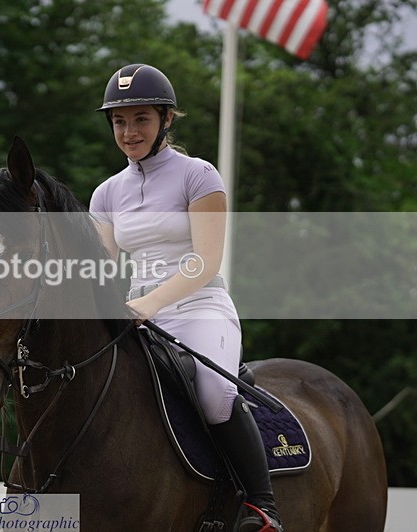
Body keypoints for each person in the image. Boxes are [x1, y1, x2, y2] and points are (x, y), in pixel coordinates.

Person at [89, 63, 282, 532]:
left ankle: (261, 506)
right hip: (137, 316)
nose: (129, 131)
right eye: (119, 121)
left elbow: (206, 260)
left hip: (199, 309)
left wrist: (149, 304)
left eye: (140, 119)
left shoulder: (198, 175)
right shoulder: (105, 194)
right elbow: (96, 270)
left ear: (166, 119)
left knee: (215, 396)